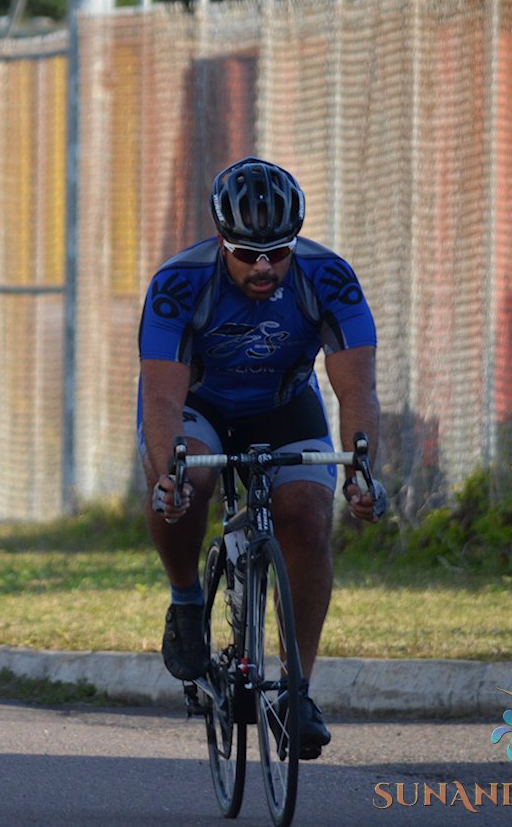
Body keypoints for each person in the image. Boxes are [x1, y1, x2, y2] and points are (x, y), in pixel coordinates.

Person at [137, 156, 384, 760]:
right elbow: (163, 397)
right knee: (183, 479)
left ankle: (296, 690)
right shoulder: (178, 283)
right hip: (199, 405)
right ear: (222, 242)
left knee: (305, 512)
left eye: (278, 250)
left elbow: (356, 390)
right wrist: (168, 474)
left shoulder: (329, 277)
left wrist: (362, 470)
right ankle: (186, 598)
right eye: (247, 252)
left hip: (283, 404)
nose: (264, 266)